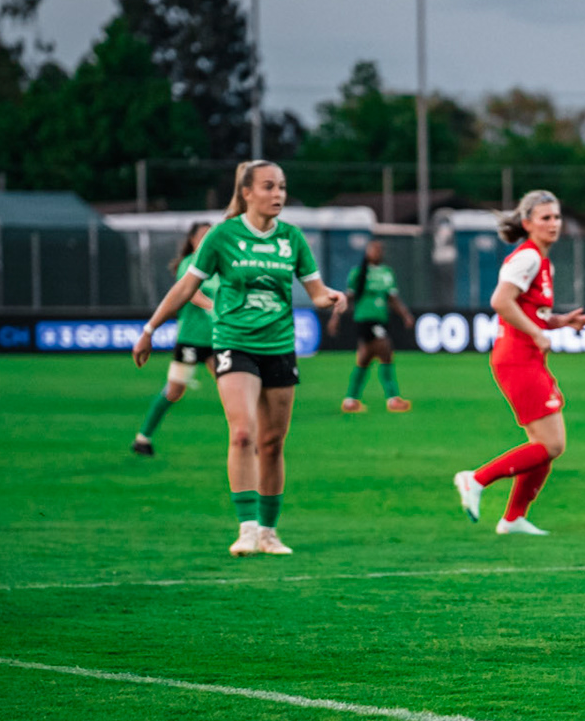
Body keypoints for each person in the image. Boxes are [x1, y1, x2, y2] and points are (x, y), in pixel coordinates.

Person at [131, 161, 345, 557]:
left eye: (281, 186)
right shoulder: (223, 236)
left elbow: (313, 292)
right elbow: (185, 287)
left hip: (280, 346)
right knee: (242, 433)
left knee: (273, 442)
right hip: (233, 342)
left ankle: (269, 532)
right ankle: (246, 528)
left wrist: (330, 296)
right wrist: (150, 329)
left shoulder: (292, 238)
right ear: (247, 192)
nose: (278, 194)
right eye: (268, 186)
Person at [451, 190, 585, 536]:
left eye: (557, 217)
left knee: (546, 447)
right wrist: (536, 332)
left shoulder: (542, 261)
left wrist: (558, 322)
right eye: (545, 218)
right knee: (551, 445)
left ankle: (513, 519)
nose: (553, 224)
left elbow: (529, 308)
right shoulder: (527, 258)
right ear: (527, 222)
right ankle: (476, 479)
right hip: (517, 359)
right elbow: (501, 301)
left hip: (527, 358)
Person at [130, 222, 219, 457]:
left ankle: (251, 441)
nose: (208, 238)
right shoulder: (189, 265)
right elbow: (191, 293)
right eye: (203, 235)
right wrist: (214, 307)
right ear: (192, 240)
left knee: (233, 389)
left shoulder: (219, 265)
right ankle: (143, 438)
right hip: (190, 339)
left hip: (217, 340)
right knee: (174, 391)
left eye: (211, 234)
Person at [329, 237, 415, 413]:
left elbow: (392, 298)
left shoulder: (387, 273)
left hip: (380, 319)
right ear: (367, 252)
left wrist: (405, 314)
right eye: (374, 249)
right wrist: (335, 317)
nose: (378, 252)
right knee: (385, 351)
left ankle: (350, 400)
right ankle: (393, 399)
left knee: (365, 358)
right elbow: (348, 297)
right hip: (365, 320)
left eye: (380, 250)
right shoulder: (358, 273)